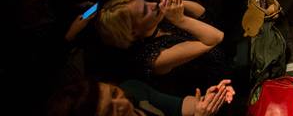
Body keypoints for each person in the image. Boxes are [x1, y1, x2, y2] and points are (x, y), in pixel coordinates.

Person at [96, 0, 227, 96]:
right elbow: (216, 38)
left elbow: (202, 12)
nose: (153, 5)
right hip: (219, 91)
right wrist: (181, 20)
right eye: (144, 11)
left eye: (146, 2)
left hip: (226, 61)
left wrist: (173, 1)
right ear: (132, 32)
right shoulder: (154, 58)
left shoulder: (158, 21)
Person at [47, 77, 234, 116]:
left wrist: (208, 100)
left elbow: (181, 106)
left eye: (114, 93)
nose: (122, 101)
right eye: (110, 109)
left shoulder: (134, 91)